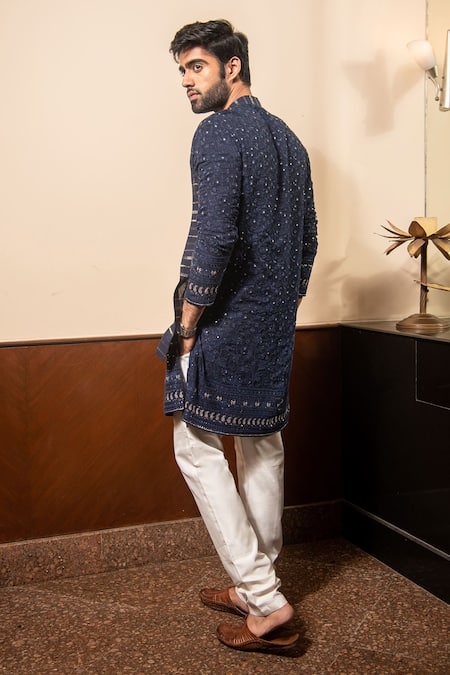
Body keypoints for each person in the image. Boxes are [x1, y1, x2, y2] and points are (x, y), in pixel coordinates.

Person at [156, 19, 318, 653]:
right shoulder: (291, 140)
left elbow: (214, 235)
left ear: (232, 67)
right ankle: (259, 585)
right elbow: (307, 241)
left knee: (195, 446)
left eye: (196, 66)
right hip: (273, 322)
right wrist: (280, 307)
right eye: (182, 71)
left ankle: (265, 601)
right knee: (262, 447)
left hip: (224, 322)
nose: (187, 82)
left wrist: (188, 323)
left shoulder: (218, 131)